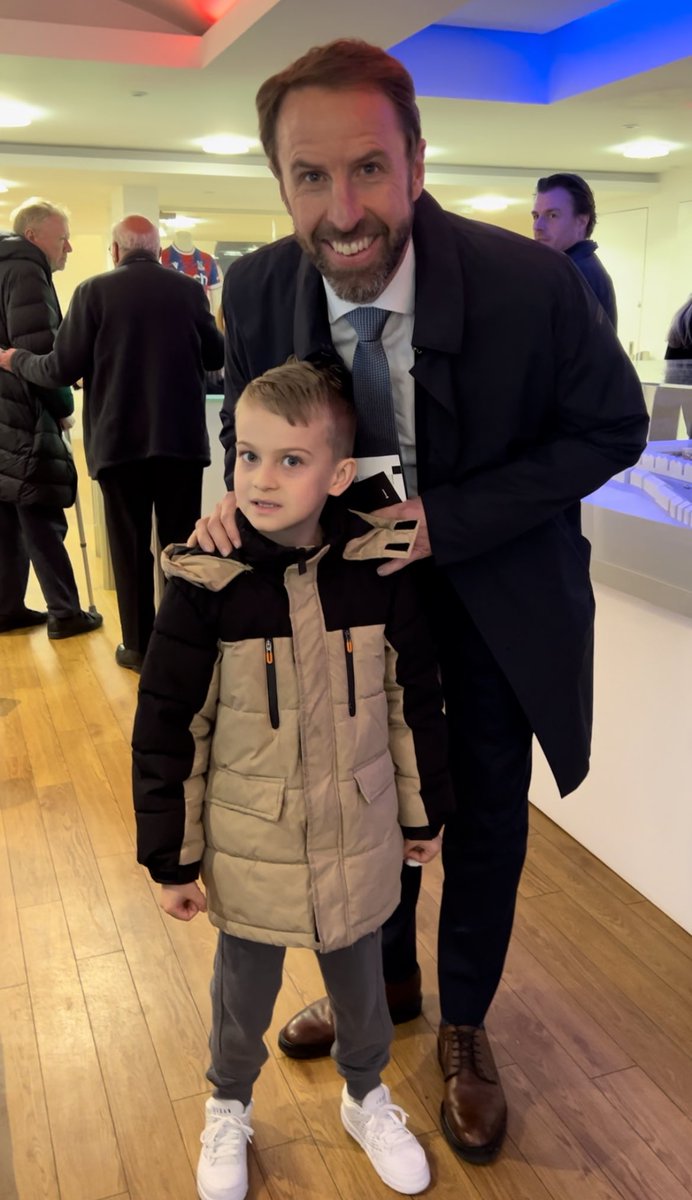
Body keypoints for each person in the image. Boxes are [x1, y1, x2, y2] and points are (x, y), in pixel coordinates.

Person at [192, 39, 649, 1165]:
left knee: (483, 818)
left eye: (366, 170)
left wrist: (452, 516)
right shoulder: (255, 288)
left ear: (415, 162)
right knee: (360, 808)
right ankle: (381, 987)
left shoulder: (529, 284)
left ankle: (464, 1026)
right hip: (349, 614)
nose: (341, 210)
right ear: (279, 182)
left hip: (496, 608)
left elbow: (610, 428)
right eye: (309, 177)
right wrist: (233, 508)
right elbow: (251, 426)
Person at [133, 358, 454, 1200]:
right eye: (246, 456)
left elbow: (411, 701)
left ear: (339, 472)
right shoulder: (208, 583)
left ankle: (366, 1094)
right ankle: (228, 1103)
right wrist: (170, 857)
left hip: (358, 830)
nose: (259, 479)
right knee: (243, 991)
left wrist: (424, 814)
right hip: (251, 841)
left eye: (290, 460)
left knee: (364, 983)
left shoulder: (379, 568)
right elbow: (169, 728)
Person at [1, 214, 224, 671]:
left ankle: (138, 648)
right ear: (159, 251)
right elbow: (217, 355)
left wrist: (15, 358)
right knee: (180, 546)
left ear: (116, 251)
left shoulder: (92, 292)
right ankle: (182, 640)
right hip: (181, 443)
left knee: (129, 547)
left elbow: (58, 369)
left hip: (118, 446)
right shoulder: (187, 291)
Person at [0, 196, 103, 638]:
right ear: (33, 236)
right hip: (24, 412)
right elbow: (43, 353)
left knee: (8, 515)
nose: (68, 248)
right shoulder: (25, 270)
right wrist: (64, 406)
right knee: (41, 512)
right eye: (62, 238)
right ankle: (65, 612)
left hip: (3, 412)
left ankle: (6, 607)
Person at [531, 172, 618, 327]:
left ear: (581, 221)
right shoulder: (570, 268)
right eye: (536, 216)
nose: (538, 226)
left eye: (552, 215)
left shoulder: (576, 275)